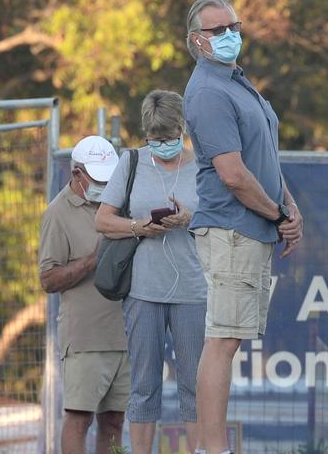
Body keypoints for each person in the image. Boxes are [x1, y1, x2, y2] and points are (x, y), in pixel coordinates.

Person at [181, 0, 303, 454]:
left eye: (234, 26)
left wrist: (290, 207)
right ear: (198, 41)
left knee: (228, 340)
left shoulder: (237, 81)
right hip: (232, 229)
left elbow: (263, 158)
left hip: (251, 229)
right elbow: (233, 175)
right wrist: (277, 214)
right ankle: (213, 450)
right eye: (219, 30)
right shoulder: (209, 90)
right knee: (223, 342)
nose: (231, 35)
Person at [95, 90, 206, 454]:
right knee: (144, 385)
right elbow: (103, 220)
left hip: (193, 289)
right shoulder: (130, 163)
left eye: (169, 138)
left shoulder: (203, 166)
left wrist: (189, 219)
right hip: (143, 291)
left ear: (182, 128)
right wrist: (139, 226)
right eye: (154, 139)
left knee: (195, 384)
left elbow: (222, 220)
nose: (162, 145)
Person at [39, 135, 129, 454]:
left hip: (125, 333)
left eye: (109, 177)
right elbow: (48, 279)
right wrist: (92, 261)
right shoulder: (57, 213)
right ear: (76, 173)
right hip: (85, 338)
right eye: (97, 178)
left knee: (115, 421)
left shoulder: (122, 201)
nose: (105, 184)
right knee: (79, 420)